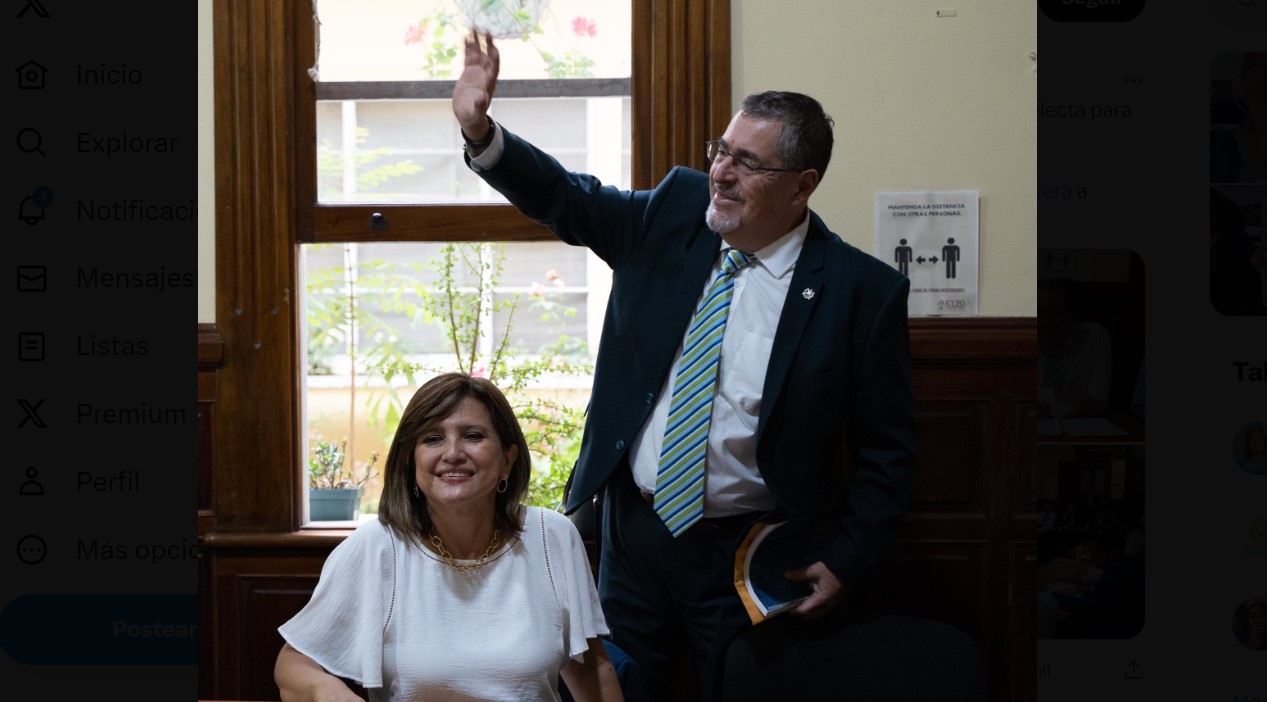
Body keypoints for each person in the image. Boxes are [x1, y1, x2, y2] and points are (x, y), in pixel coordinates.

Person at [452, 32, 918, 700]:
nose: (721, 173)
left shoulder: (859, 293)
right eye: (721, 151)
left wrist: (849, 557)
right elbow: (567, 198)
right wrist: (481, 132)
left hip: (750, 552)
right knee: (617, 687)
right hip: (632, 536)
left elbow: (887, 451)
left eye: (747, 163)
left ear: (801, 186)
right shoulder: (671, 214)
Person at [274, 373, 624, 702]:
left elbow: (592, 668)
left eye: (473, 436)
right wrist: (327, 691)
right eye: (432, 438)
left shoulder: (553, 537)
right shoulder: (376, 548)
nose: (453, 453)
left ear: (507, 459)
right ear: (411, 461)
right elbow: (293, 664)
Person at [1037, 277, 1112, 418]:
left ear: (1068, 320)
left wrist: (1047, 409)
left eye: (1042, 313)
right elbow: (1016, 393)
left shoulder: (1095, 337)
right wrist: (1057, 395)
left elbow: (1096, 403)